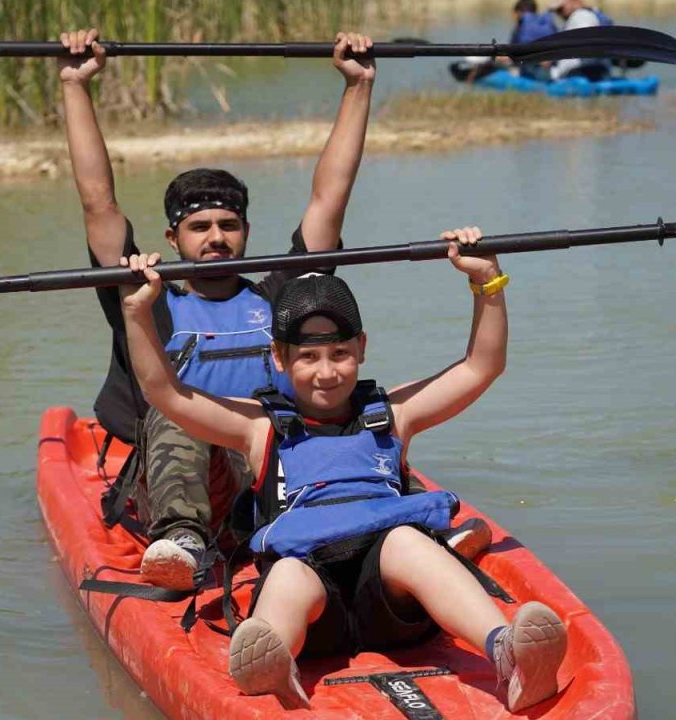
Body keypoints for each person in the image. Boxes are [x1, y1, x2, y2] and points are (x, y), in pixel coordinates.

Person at [116, 227, 568, 712]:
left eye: (340, 354)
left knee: (407, 541)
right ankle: (272, 659)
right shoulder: (258, 428)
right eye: (308, 357)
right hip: (316, 609)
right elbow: (165, 392)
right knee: (288, 571)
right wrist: (138, 311)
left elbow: (482, 365)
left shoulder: (395, 414)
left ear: (362, 348)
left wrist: (487, 282)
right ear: (279, 357)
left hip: (392, 604)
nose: (326, 372)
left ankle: (507, 650)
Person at [57, 28, 380, 591]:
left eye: (228, 226)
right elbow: (97, 202)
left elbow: (331, 197)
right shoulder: (145, 297)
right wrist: (75, 85)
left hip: (263, 476)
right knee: (179, 411)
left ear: (246, 233)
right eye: (199, 227)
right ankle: (181, 539)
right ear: (173, 237)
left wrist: (357, 86)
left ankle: (387, 524)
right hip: (175, 480)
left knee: (357, 402)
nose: (216, 238)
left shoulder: (280, 296)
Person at [546, 0, 612, 81]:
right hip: (600, 70)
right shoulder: (597, 14)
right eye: (556, 11)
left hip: (578, 73)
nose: (559, 14)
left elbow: (587, 39)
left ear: (574, 1)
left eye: (560, 9)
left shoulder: (581, 16)